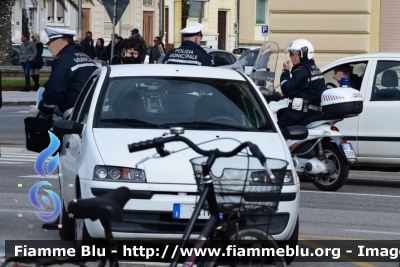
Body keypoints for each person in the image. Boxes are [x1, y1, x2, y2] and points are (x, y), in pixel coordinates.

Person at [38, 27, 98, 119]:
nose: (49, 47)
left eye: (51, 43)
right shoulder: (85, 56)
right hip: (90, 108)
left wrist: (44, 109)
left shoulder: (64, 60)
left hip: (73, 112)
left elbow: (55, 90)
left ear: (63, 42)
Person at [278, 39, 325, 128]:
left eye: (293, 54)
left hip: (300, 112)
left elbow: (286, 88)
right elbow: (305, 88)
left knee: (278, 131)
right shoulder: (314, 68)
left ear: (303, 54)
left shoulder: (302, 71)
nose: (292, 57)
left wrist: (285, 71)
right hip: (312, 110)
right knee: (281, 112)